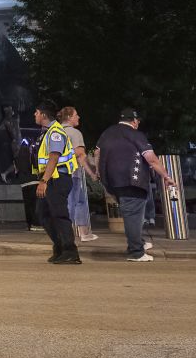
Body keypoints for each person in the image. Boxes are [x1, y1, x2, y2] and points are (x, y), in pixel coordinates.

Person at [96, 108, 178, 262]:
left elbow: (97, 154)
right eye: (138, 120)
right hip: (133, 182)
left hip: (112, 183)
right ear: (134, 121)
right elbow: (151, 158)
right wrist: (166, 176)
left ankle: (137, 242)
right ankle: (136, 252)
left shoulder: (107, 133)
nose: (138, 123)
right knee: (133, 217)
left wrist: (98, 173)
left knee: (131, 214)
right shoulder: (136, 135)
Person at [32, 102, 80, 264]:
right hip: (49, 178)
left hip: (57, 178)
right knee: (43, 214)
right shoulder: (45, 133)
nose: (35, 115)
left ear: (44, 115)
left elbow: (54, 157)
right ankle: (60, 247)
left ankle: (70, 251)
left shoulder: (55, 132)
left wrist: (44, 180)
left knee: (59, 215)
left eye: (37, 112)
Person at [58, 107, 98, 243]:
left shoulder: (55, 131)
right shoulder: (75, 133)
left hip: (58, 174)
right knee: (71, 204)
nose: (78, 117)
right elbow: (80, 155)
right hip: (72, 174)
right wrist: (92, 173)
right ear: (69, 117)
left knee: (81, 202)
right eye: (76, 115)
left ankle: (84, 233)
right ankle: (66, 237)